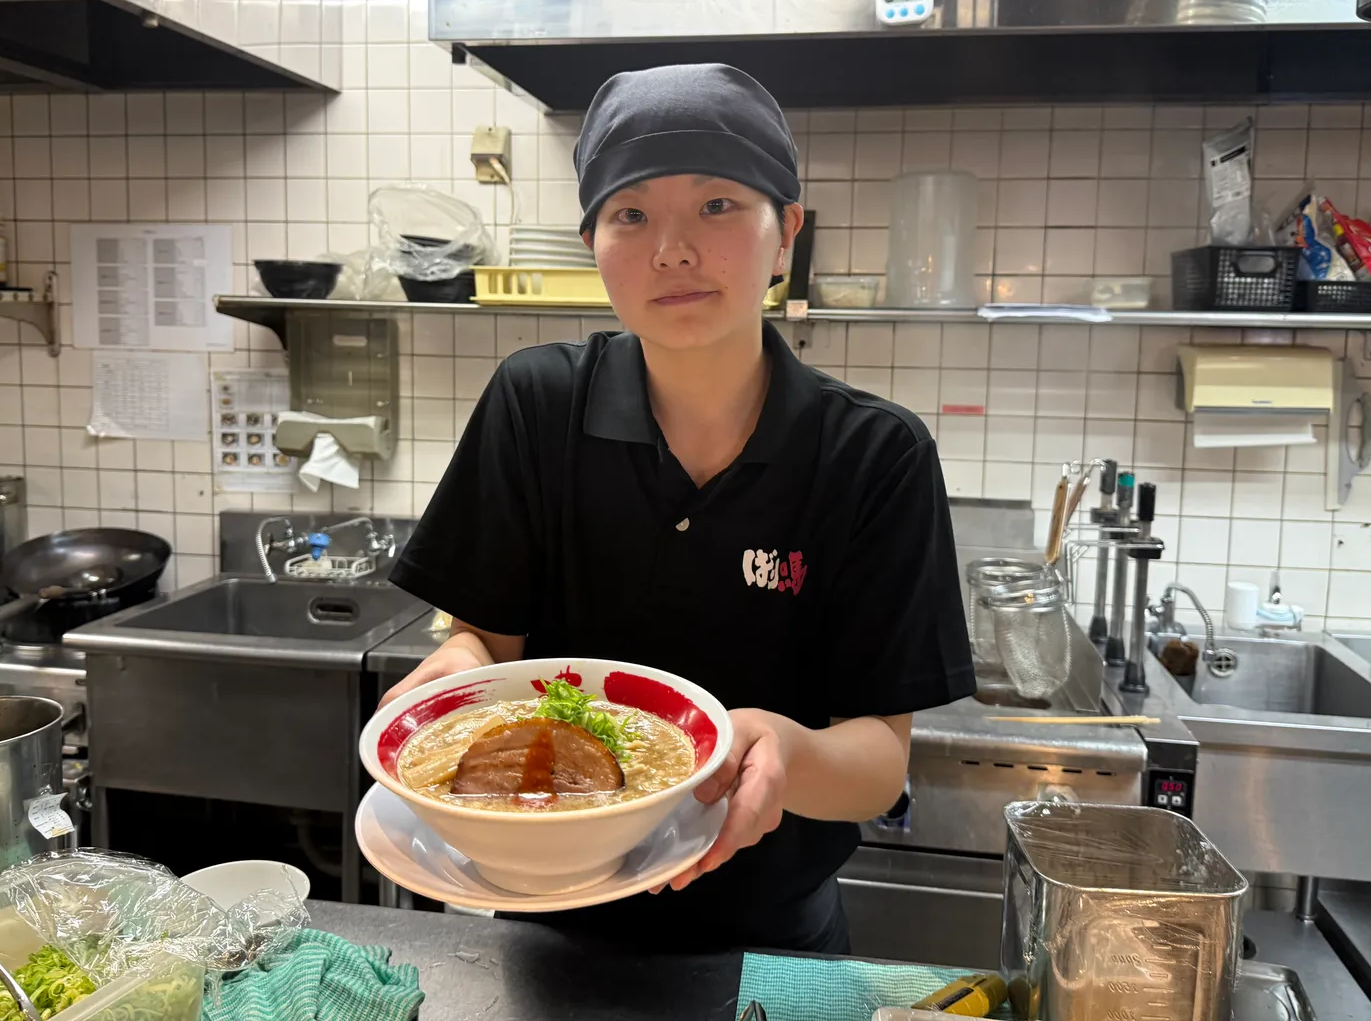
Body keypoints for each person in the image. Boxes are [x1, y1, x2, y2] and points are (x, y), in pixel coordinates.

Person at [384, 63, 974, 953]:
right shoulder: (537, 404)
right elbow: (486, 646)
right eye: (631, 214)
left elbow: (878, 766)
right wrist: (454, 679)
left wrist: (785, 747)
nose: (673, 250)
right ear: (593, 240)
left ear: (788, 235)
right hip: (546, 922)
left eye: (717, 206)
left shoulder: (873, 455)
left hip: (775, 942)